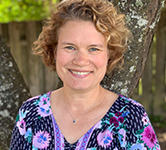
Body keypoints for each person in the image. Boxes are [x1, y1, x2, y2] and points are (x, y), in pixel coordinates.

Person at [10, 0, 160, 149]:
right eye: (70, 47)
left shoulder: (132, 118)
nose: (81, 61)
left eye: (93, 49)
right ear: (55, 51)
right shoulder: (30, 114)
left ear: (109, 55)